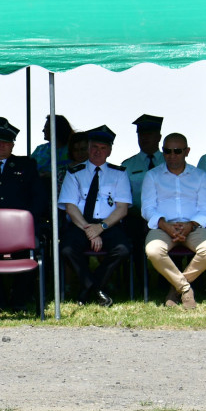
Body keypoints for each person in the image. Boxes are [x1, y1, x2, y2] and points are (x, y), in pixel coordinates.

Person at [140, 133, 206, 309]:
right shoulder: (152, 176)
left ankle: (175, 289)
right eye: (167, 151)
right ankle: (184, 288)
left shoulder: (199, 176)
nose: (172, 155)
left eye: (177, 151)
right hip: (162, 227)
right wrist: (164, 225)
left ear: (187, 151)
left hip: (193, 226)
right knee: (153, 251)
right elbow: (147, 208)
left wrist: (190, 225)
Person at [57, 126, 131, 307]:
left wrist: (101, 227)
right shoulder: (74, 173)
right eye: (94, 147)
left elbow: (122, 209)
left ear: (110, 151)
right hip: (81, 224)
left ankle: (88, 288)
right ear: (88, 148)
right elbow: (70, 206)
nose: (98, 152)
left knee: (123, 249)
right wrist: (89, 229)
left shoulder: (119, 174)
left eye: (103, 148)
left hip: (109, 225)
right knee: (67, 249)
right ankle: (95, 287)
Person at [121, 114, 164, 210]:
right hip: (137, 218)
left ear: (159, 137)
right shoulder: (127, 165)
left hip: (168, 217)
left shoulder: (169, 161)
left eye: (149, 134)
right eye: (141, 134)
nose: (144, 138)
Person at [30, 114, 73, 178]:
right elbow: (28, 168)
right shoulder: (40, 149)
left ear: (56, 128)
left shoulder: (73, 149)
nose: (43, 130)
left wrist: (52, 175)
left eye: (46, 127)